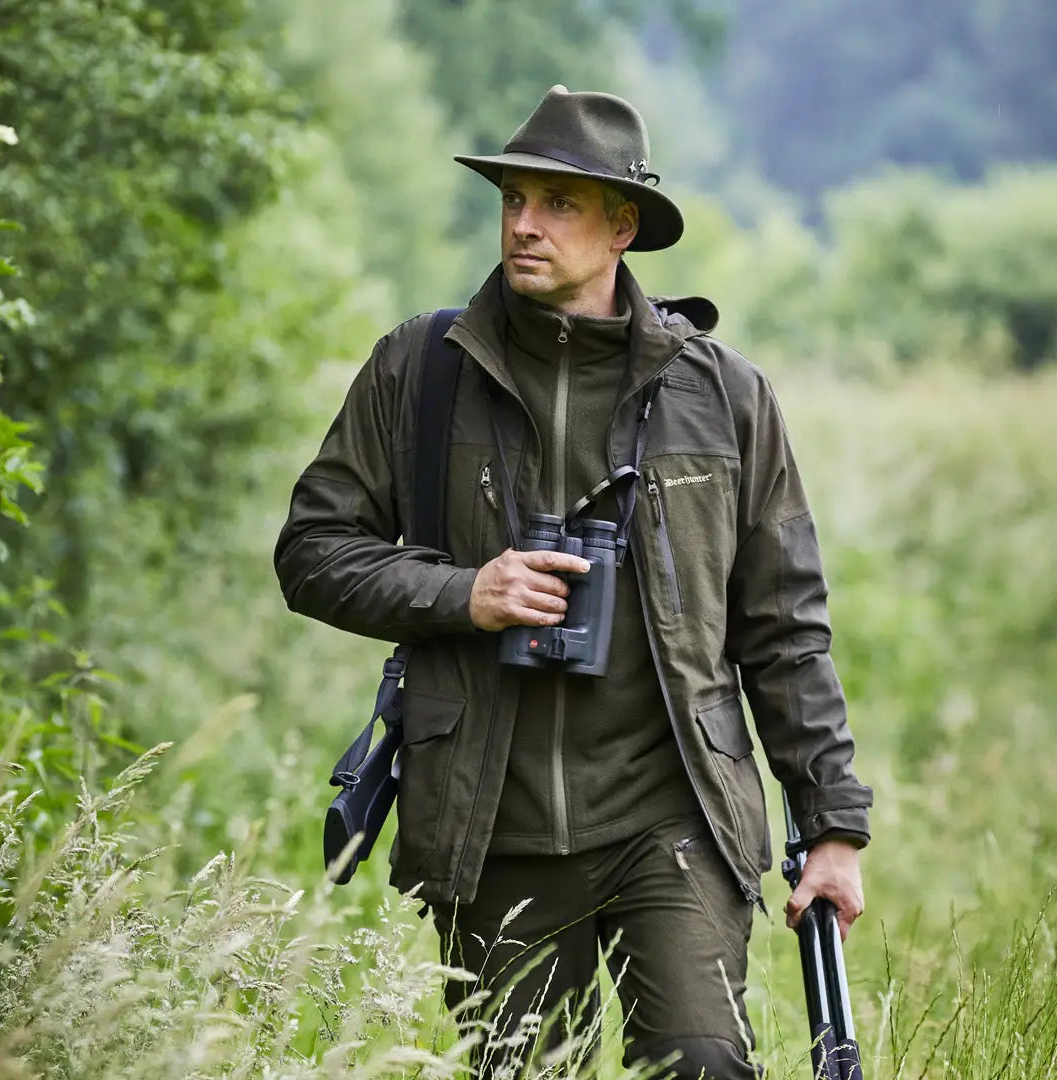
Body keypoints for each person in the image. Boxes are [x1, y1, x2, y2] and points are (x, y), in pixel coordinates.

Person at [275, 85, 872, 1079]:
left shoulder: (723, 396)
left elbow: (784, 628)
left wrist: (834, 825)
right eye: (514, 197)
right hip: (489, 821)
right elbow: (312, 550)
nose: (524, 223)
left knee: (705, 1062)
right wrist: (465, 593)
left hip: (672, 811)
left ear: (621, 226)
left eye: (558, 201)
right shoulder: (420, 370)